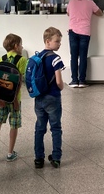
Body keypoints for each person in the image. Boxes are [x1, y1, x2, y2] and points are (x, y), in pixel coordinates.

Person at [0, 33, 28, 162]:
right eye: (20, 44)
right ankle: (10, 153)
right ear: (16, 46)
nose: (22, 46)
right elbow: (18, 82)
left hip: (1, 98)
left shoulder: (1, 59)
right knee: (14, 125)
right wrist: (15, 100)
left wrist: (0, 100)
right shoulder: (22, 60)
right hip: (14, 98)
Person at [33, 27, 65, 169]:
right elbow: (59, 81)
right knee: (56, 128)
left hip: (39, 98)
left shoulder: (37, 57)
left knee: (40, 128)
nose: (59, 44)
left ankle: (39, 158)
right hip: (53, 97)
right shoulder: (55, 58)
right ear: (48, 41)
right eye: (57, 41)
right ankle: (56, 158)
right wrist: (61, 87)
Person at [66, 0, 102, 88]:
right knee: (83, 57)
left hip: (73, 31)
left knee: (73, 57)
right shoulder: (90, 3)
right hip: (84, 32)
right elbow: (100, 13)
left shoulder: (71, 2)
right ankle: (82, 81)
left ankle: (74, 81)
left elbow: (68, 13)